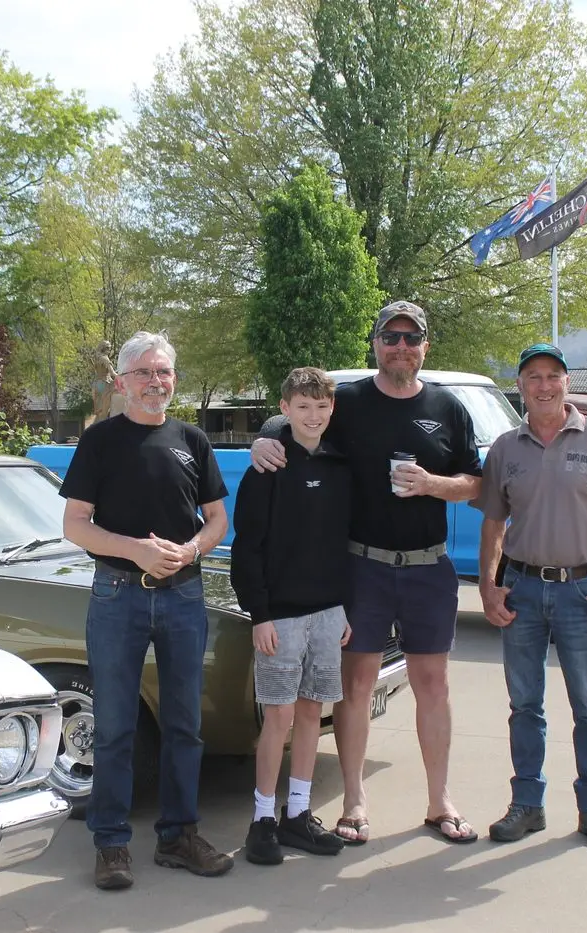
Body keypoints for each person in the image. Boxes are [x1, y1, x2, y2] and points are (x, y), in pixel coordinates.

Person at [250, 300, 483, 845]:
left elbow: (475, 483)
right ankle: (354, 802)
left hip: (428, 566)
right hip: (363, 566)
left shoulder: (449, 408)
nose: (401, 347)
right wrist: (265, 437)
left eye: (412, 338)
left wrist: (431, 484)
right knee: (356, 686)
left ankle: (438, 800)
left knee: (433, 684)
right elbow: (294, 417)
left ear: (425, 346)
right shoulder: (349, 401)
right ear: (375, 343)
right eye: (391, 337)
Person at [60, 330, 234, 891]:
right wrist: (135, 549)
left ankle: (178, 835)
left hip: (184, 595)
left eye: (164, 373)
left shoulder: (192, 440)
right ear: (122, 382)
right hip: (117, 596)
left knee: (185, 723)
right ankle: (111, 843)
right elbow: (75, 525)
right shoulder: (101, 442)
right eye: (144, 373)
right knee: (115, 726)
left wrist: (192, 549)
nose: (156, 382)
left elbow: (217, 520)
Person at [475, 343, 587, 851]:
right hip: (522, 590)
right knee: (525, 705)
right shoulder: (506, 447)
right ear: (520, 386)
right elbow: (492, 523)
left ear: (567, 382)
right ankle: (527, 804)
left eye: (552, 376)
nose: (543, 385)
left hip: (582, 590)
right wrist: (488, 585)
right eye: (532, 377)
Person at [230, 367, 352, 866]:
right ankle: (262, 818)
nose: (313, 415)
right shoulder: (268, 468)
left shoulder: (343, 465)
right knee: (277, 716)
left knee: (310, 712)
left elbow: (346, 543)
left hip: (328, 611)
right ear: (284, 408)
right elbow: (247, 547)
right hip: (279, 615)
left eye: (321, 406)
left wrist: (347, 606)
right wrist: (259, 613)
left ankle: (297, 814)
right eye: (302, 406)